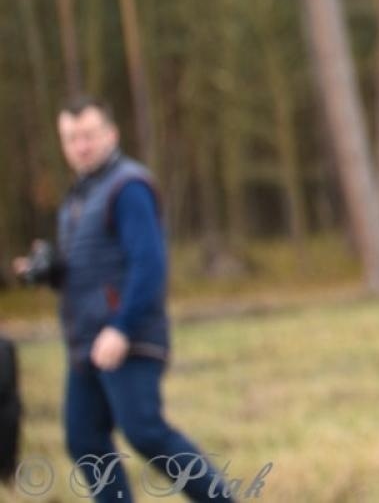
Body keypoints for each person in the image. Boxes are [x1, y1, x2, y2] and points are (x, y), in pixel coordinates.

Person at [11, 97, 231, 501]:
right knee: (84, 439)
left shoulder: (128, 187)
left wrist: (121, 328)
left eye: (89, 135)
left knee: (145, 431)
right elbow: (92, 270)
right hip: (86, 345)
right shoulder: (79, 196)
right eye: (71, 137)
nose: (81, 145)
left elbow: (149, 265)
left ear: (111, 135)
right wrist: (49, 270)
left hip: (124, 338)